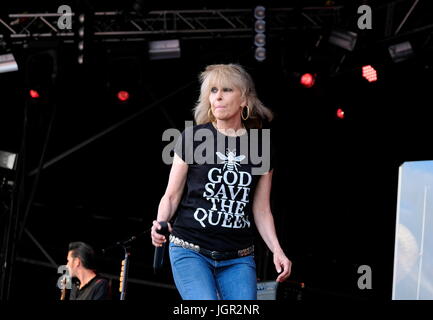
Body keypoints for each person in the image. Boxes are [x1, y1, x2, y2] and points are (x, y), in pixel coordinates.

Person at [151, 64, 292, 300]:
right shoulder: (194, 137)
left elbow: (261, 209)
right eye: (213, 90)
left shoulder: (261, 148)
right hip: (190, 249)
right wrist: (161, 222)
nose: (217, 96)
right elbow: (172, 195)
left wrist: (277, 249)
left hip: (238, 257)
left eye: (226, 90)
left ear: (244, 99)